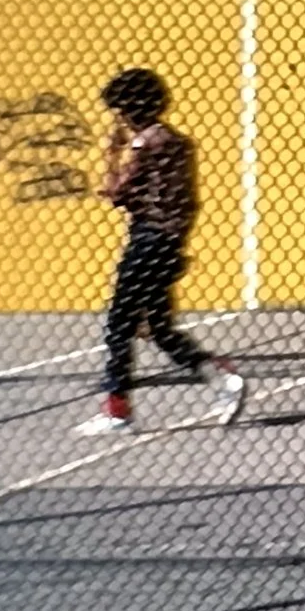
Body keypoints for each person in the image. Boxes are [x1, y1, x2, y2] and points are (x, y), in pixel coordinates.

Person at [75, 68, 245, 436]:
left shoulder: (143, 144)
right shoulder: (176, 141)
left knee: (119, 323)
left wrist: (111, 154)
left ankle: (117, 410)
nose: (117, 117)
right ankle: (222, 378)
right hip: (169, 240)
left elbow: (116, 193)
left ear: (132, 108)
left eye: (120, 108)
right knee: (159, 328)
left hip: (147, 239)